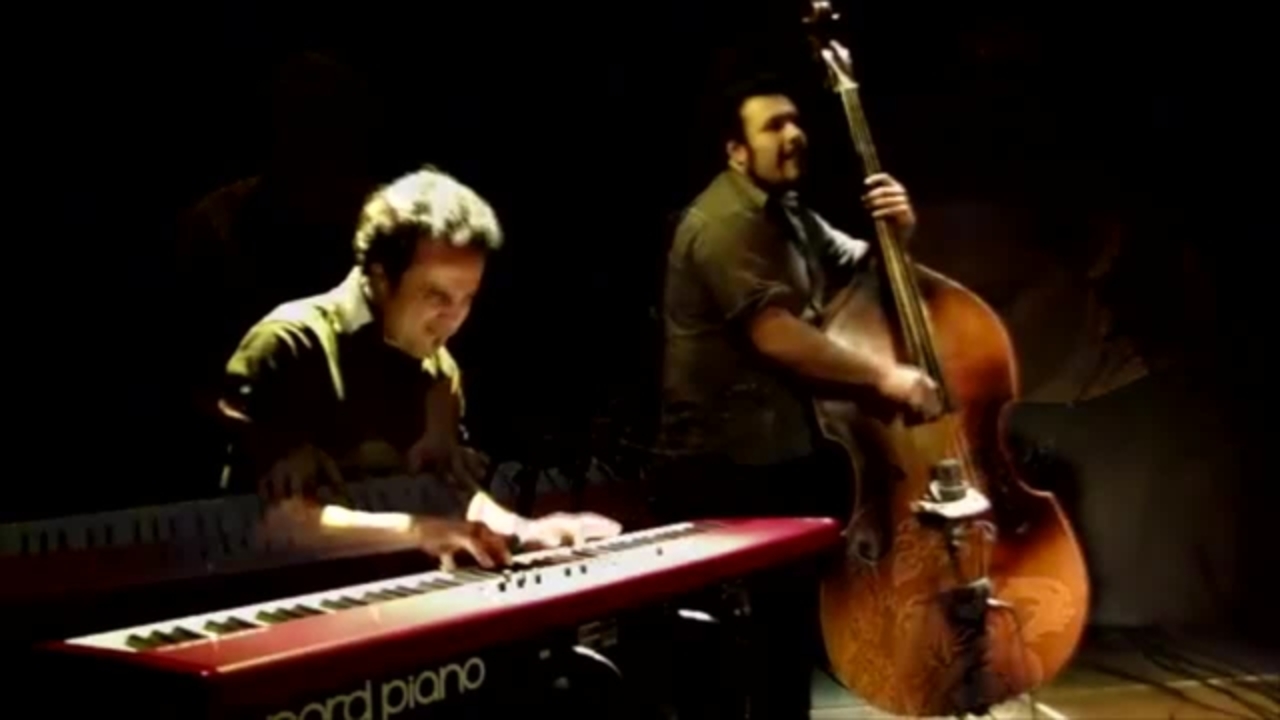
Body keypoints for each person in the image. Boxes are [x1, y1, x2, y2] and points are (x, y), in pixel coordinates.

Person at [655, 74, 942, 717]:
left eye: (795, 121)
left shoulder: (789, 215)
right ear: (736, 151)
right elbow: (775, 333)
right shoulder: (723, 222)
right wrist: (885, 376)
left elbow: (860, 265)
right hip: (720, 468)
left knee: (784, 644)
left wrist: (898, 230)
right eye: (773, 126)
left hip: (776, 458)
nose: (794, 134)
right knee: (726, 663)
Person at [218, 165, 621, 569]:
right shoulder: (287, 344)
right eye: (437, 296)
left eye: (467, 298)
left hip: (390, 587)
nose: (454, 319)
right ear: (380, 278)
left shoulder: (439, 369)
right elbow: (277, 527)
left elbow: (451, 497)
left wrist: (524, 530)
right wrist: (423, 530)